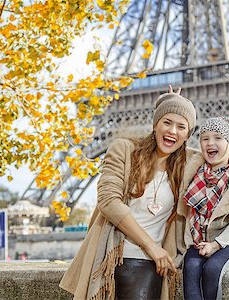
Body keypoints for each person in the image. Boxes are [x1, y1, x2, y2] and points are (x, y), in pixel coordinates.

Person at [60, 86, 199, 300]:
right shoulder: (124, 150)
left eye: (181, 126)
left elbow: (220, 173)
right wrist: (151, 246)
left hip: (153, 266)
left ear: (187, 135)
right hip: (115, 258)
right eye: (167, 122)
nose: (172, 131)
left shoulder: (188, 164)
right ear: (155, 124)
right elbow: (108, 201)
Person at [179, 117, 229, 300]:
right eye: (205, 138)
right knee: (190, 268)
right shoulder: (195, 172)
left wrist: (216, 244)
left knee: (212, 269)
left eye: (218, 138)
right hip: (199, 243)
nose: (210, 143)